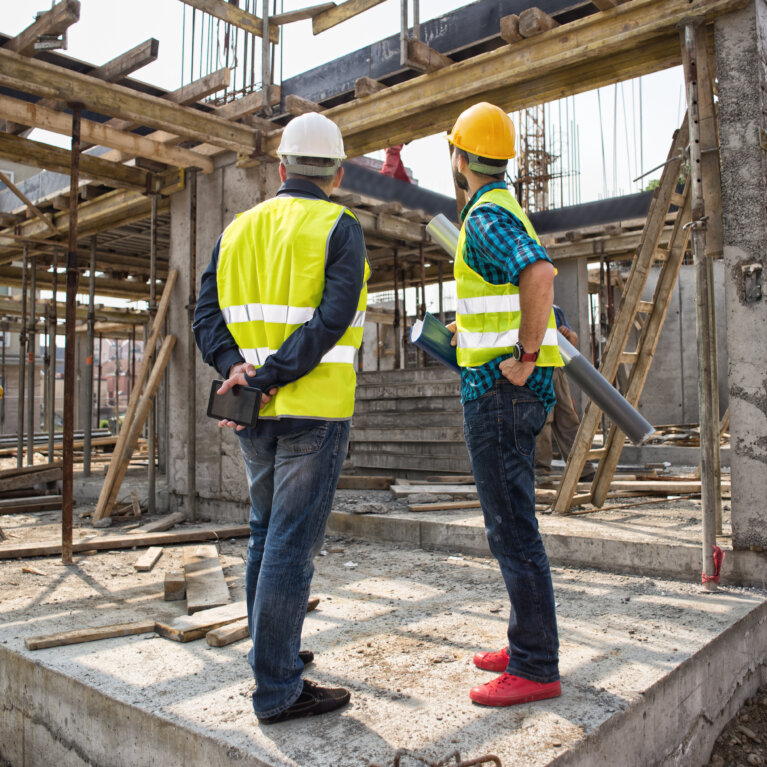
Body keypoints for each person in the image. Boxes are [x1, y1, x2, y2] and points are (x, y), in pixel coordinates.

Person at [193, 112, 369, 725]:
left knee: (265, 532)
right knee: (291, 543)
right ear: (338, 174)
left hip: (251, 412)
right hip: (311, 410)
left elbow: (205, 314)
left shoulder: (237, 228)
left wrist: (235, 369)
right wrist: (268, 377)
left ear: (281, 168)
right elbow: (331, 322)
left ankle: (275, 653)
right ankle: (278, 688)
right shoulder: (339, 227)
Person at [446, 102, 564, 707]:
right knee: (510, 527)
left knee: (513, 529)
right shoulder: (504, 208)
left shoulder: (486, 214)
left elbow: (539, 275)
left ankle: (537, 666)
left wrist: (524, 351)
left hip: (499, 393)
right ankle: (526, 643)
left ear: (460, 157)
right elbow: (511, 288)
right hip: (503, 389)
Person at [535, 306, 596, 483]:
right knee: (543, 422)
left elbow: (573, 340)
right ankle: (540, 472)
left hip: (555, 369)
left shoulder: (554, 310)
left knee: (568, 420)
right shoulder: (521, 303)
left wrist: (568, 335)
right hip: (535, 370)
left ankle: (582, 468)